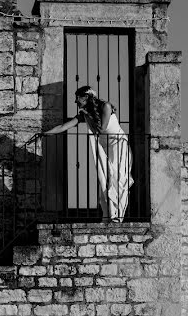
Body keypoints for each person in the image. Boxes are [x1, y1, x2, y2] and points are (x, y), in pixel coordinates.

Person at [46, 86, 133, 222]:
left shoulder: (106, 106)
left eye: (78, 98)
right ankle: (109, 214)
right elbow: (64, 126)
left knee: (117, 178)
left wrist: (87, 116)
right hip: (105, 148)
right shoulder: (85, 114)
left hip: (118, 145)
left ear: (86, 97)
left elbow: (102, 128)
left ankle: (118, 215)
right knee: (105, 180)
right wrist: (45, 133)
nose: (76, 102)